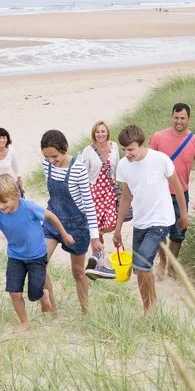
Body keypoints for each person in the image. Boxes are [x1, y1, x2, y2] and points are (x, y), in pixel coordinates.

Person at [0, 174, 74, 330]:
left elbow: (50, 216)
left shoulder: (28, 207)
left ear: (16, 195)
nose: (0, 206)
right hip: (15, 257)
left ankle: (43, 296)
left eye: (4, 201)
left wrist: (64, 234)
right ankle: (25, 323)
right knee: (14, 293)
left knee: (34, 293)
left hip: (37, 256)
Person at [113, 124, 189, 316]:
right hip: (140, 222)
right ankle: (147, 307)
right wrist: (118, 228)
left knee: (142, 265)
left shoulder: (160, 160)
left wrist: (184, 215)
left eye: (130, 149)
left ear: (141, 144)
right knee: (140, 271)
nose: (127, 154)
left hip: (161, 220)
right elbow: (126, 197)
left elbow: (178, 188)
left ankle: (152, 309)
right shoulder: (123, 165)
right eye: (123, 150)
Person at [41, 130, 104, 315]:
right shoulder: (47, 165)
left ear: (65, 148)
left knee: (78, 272)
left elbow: (88, 204)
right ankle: (51, 310)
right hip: (52, 219)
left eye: (55, 156)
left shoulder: (78, 169)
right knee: (39, 263)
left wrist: (94, 237)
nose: (51, 160)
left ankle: (85, 312)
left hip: (76, 225)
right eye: (47, 156)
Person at [148, 103, 195, 279]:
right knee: (158, 231)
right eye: (176, 117)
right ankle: (162, 262)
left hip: (181, 193)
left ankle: (172, 264)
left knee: (178, 233)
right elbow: (149, 165)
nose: (178, 121)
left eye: (182, 118)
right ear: (172, 116)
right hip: (159, 193)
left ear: (189, 119)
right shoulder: (158, 138)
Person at [81, 120, 120, 280]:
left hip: (110, 189)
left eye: (103, 131)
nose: (100, 134)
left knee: (110, 224)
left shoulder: (114, 146)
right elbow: (83, 174)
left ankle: (96, 243)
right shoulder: (88, 151)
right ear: (94, 134)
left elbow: (118, 167)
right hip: (94, 191)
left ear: (107, 132)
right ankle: (98, 260)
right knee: (95, 225)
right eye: (97, 132)